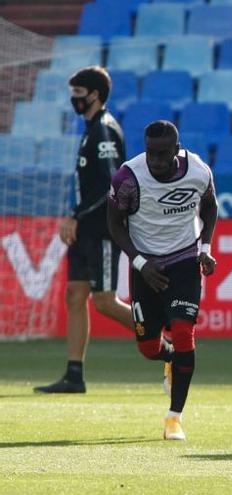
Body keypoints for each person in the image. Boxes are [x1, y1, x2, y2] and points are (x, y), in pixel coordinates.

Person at [107, 120, 217, 440]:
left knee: (183, 331)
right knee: (148, 348)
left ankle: (174, 418)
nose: (155, 160)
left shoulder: (198, 171)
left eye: (162, 154)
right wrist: (140, 263)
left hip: (184, 260)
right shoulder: (128, 177)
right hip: (146, 266)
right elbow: (114, 224)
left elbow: (210, 207)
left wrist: (205, 248)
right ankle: (169, 359)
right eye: (150, 152)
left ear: (176, 150)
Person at [35, 66, 133, 394]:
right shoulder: (91, 129)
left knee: (105, 301)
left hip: (102, 227)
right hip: (84, 229)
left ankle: (164, 346)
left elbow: (111, 184)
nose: (73, 100)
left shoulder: (104, 130)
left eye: (78, 94)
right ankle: (74, 374)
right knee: (75, 295)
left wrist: (76, 216)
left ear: (94, 95)